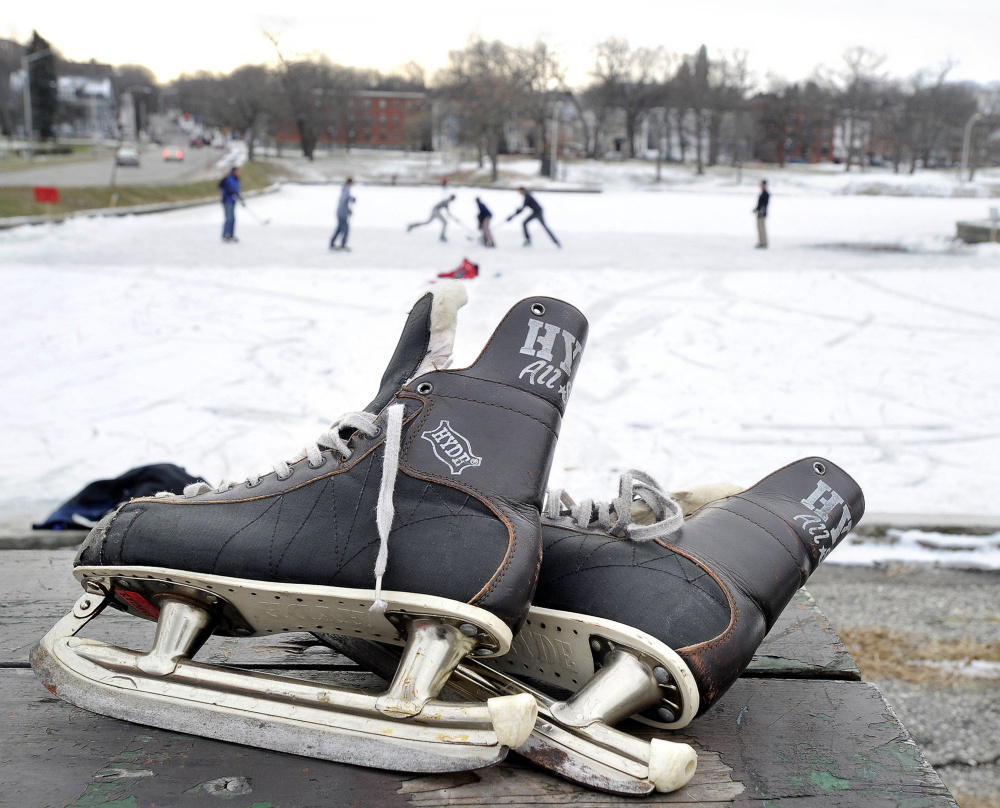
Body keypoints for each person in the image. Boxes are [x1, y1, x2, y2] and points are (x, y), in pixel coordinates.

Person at [219, 167, 243, 243]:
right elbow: (222, 186)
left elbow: (236, 191)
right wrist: (229, 192)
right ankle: (225, 235)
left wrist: (240, 198)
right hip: (227, 201)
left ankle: (231, 235)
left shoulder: (237, 180)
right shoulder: (228, 179)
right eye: (237, 171)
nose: (238, 172)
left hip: (233, 201)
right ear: (233, 171)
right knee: (229, 218)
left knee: (233, 219)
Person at [330, 177, 355, 250]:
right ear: (350, 182)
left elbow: (344, 202)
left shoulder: (344, 189)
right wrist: (351, 199)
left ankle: (332, 242)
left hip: (341, 212)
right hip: (342, 214)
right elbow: (345, 199)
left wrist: (349, 210)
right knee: (346, 229)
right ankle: (343, 244)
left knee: (339, 229)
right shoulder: (346, 190)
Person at [753, 179, 769, 248]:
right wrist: (756, 209)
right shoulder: (762, 193)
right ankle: (761, 241)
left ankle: (763, 242)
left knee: (761, 228)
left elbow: (764, 204)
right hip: (759, 213)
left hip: (762, 213)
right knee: (760, 228)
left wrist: (761, 210)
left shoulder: (765, 193)